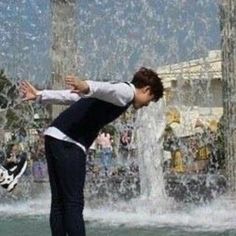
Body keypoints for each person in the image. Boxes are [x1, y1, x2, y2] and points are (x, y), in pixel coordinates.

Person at [19, 67, 164, 236]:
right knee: (73, 203)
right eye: (150, 99)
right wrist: (86, 85)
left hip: (54, 136)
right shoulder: (126, 92)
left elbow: (74, 96)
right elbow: (102, 87)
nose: (147, 104)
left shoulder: (115, 93)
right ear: (146, 89)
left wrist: (40, 95)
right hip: (69, 142)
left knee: (59, 202)